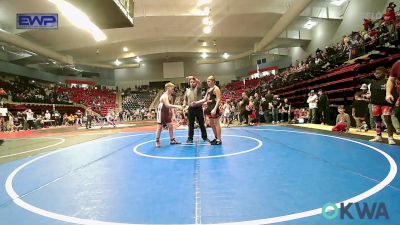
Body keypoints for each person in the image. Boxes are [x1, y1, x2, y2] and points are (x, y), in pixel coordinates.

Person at [362, 67, 396, 144]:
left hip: (386, 104)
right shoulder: (372, 81)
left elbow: (393, 92)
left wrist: (393, 103)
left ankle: (390, 138)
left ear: (385, 73)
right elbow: (360, 79)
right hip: (375, 104)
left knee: (388, 120)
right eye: (375, 73)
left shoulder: (389, 81)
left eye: (379, 73)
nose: (376, 75)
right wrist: (372, 74)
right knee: (377, 121)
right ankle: (378, 136)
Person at [192, 76, 222, 145]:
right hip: (209, 108)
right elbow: (204, 99)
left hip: (214, 108)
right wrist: (196, 102)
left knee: (217, 123)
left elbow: (219, 99)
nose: (207, 82)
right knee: (211, 124)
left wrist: (215, 109)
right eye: (207, 81)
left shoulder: (216, 88)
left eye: (209, 81)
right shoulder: (208, 89)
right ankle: (216, 137)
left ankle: (219, 139)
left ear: (213, 81)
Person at [155, 82, 182, 148]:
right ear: (167, 88)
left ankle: (172, 140)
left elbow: (171, 107)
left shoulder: (171, 97)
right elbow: (167, 105)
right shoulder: (164, 96)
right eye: (172, 89)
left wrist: (173, 115)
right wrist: (177, 106)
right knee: (160, 127)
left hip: (167, 112)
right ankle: (157, 141)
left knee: (170, 126)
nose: (173, 90)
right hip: (161, 112)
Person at [182, 76, 208, 143]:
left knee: (201, 124)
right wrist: (184, 104)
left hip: (198, 108)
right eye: (191, 82)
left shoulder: (198, 88)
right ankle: (190, 138)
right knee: (191, 124)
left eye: (193, 82)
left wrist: (193, 77)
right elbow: (185, 99)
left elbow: (199, 83)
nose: (192, 83)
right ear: (189, 83)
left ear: (196, 83)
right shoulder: (187, 91)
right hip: (191, 109)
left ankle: (205, 137)